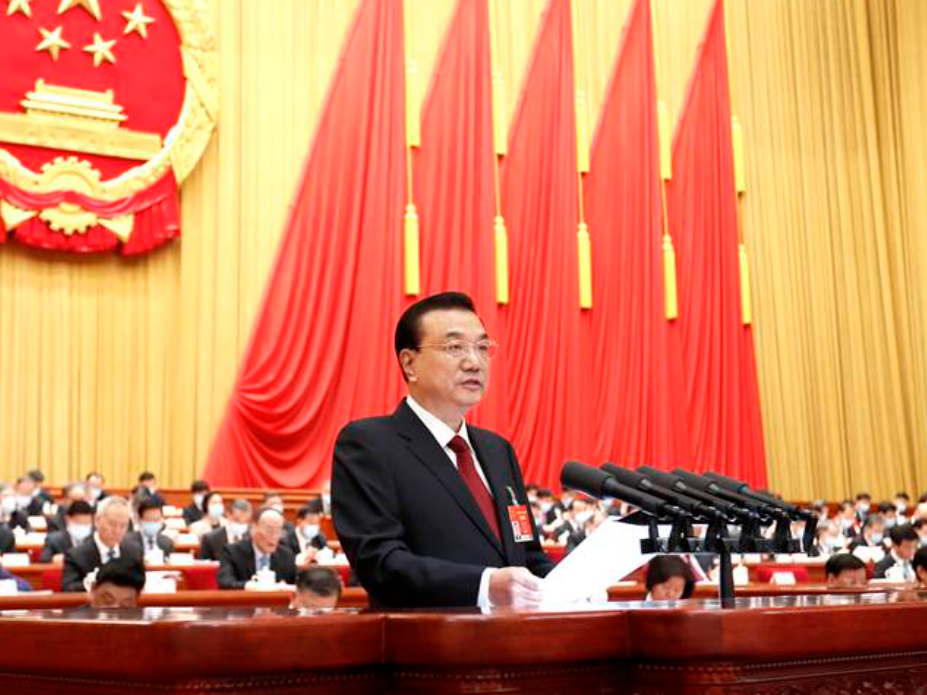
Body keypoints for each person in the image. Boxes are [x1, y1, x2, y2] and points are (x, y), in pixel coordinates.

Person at [333, 292, 554, 608]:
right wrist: (484, 586)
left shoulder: (498, 450)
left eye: (482, 347)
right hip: (427, 635)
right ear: (409, 363)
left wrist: (574, 584)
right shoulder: (369, 444)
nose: (474, 362)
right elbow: (379, 561)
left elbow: (526, 553)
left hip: (513, 634)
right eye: (454, 348)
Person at [62, 497, 142, 592]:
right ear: (97, 520)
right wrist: (90, 584)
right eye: (112, 524)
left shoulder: (134, 551)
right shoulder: (76, 555)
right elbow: (68, 589)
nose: (117, 531)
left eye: (123, 525)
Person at [217, 506, 296, 589]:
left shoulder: (286, 556)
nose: (274, 536)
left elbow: (296, 584)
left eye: (278, 530)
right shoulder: (232, 552)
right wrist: (250, 586)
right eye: (269, 530)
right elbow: (225, 583)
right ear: (253, 528)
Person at [124, 498, 175, 563]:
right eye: (148, 520)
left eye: (156, 520)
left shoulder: (167, 543)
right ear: (139, 520)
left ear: (162, 520)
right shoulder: (127, 542)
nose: (152, 523)